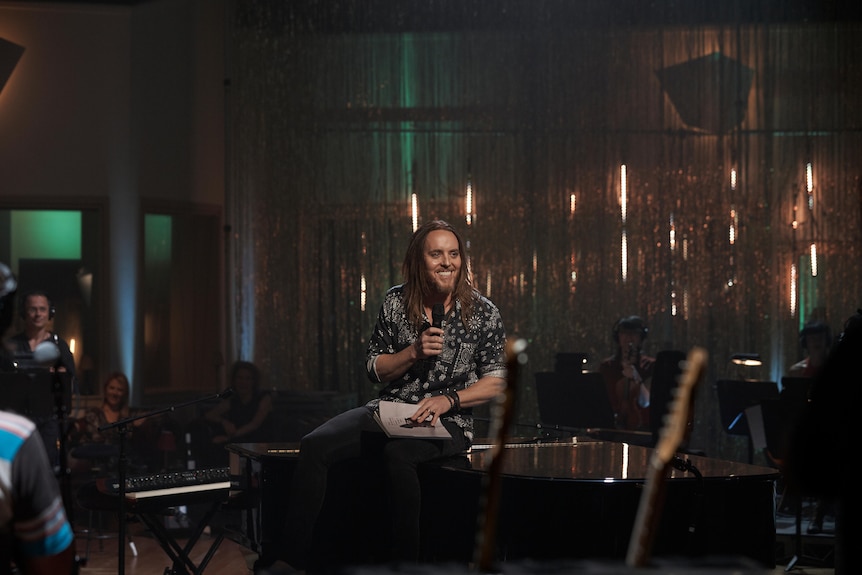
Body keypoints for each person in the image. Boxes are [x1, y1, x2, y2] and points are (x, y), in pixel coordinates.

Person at [256, 219, 507, 574]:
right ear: (419, 261)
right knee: (314, 445)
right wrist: (413, 352)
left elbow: (496, 382)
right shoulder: (396, 301)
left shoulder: (483, 312)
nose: (447, 262)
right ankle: (291, 558)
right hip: (390, 411)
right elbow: (374, 368)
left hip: (446, 420)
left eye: (454, 254)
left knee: (398, 455)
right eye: (436, 254)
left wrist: (447, 400)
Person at [0, 263, 77, 574]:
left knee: (44, 480)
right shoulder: (11, 348)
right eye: (31, 309)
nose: (36, 314)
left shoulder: (58, 348)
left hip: (43, 425)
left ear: (50, 312)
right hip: (13, 424)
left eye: (41, 309)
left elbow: (68, 390)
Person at [784, 309, 862, 575]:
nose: (816, 343)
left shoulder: (840, 369)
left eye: (820, 338)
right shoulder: (801, 371)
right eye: (811, 338)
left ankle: (819, 513)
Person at [189, 360, 274, 468]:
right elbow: (210, 415)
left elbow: (255, 424)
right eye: (240, 378)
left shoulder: (264, 397)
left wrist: (230, 438)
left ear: (254, 381)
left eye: (248, 378)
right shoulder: (233, 400)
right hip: (236, 439)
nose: (243, 382)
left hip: (257, 440)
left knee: (224, 446)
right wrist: (224, 422)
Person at [67, 371, 153, 473]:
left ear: (125, 393)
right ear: (105, 389)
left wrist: (138, 428)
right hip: (96, 465)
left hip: (122, 466)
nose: (115, 393)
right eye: (112, 388)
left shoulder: (129, 416)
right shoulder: (93, 414)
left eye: (119, 390)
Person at [598, 315, 655, 432]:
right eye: (624, 333)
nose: (629, 338)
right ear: (617, 337)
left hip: (642, 427)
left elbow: (647, 401)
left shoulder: (650, 365)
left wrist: (635, 376)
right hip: (611, 426)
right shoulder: (607, 367)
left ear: (641, 338)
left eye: (634, 333)